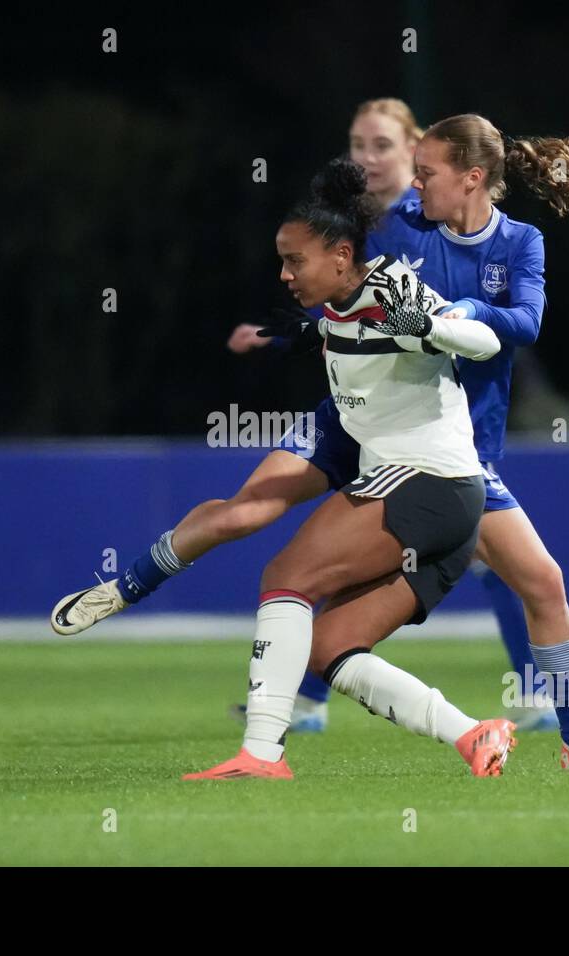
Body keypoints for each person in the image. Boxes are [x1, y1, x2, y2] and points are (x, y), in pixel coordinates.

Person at [54, 112, 569, 772]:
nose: (384, 168)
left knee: (540, 583)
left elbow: (524, 323)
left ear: (470, 176)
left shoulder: (516, 244)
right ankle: (129, 588)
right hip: (356, 416)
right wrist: (282, 331)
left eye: (401, 157)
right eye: (363, 149)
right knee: (247, 512)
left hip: (441, 442)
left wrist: (458, 316)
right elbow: (331, 278)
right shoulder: (395, 221)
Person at [179, 158, 514, 778]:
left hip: (424, 482)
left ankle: (261, 754)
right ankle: (474, 735)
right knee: (330, 648)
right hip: (448, 507)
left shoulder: (391, 287)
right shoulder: (347, 303)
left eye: (294, 261)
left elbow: (488, 344)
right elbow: (355, 331)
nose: (283, 274)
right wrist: (312, 332)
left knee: (286, 576)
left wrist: (431, 326)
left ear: (340, 255)